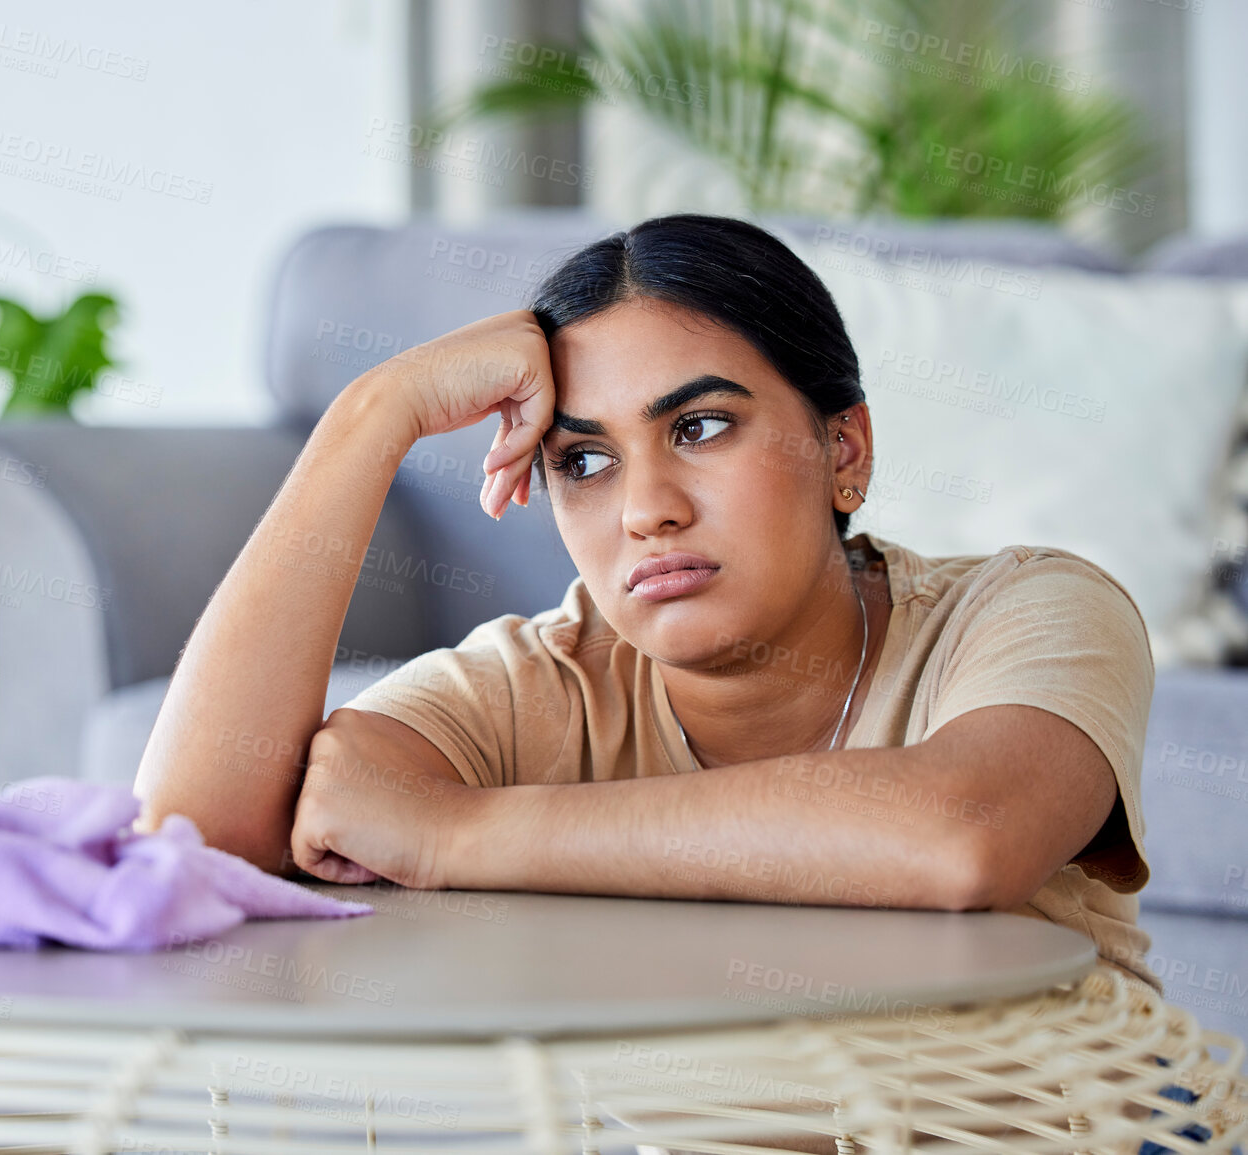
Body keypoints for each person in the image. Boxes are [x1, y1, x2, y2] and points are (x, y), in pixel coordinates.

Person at [133, 213, 1159, 992]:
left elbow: (961, 836)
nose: (647, 512)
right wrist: (373, 415)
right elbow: (192, 846)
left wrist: (458, 833)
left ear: (843, 452)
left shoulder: (1029, 609)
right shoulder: (543, 684)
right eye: (585, 459)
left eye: (702, 428)